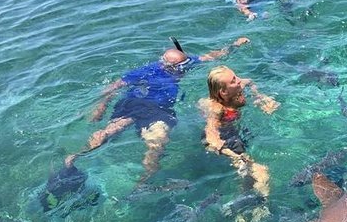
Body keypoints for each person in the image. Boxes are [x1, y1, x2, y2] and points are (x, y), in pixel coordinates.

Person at [63, 36, 250, 186]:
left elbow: (213, 56)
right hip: (143, 106)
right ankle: (143, 179)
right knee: (155, 141)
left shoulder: (180, 64)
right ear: (166, 64)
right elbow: (113, 86)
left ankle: (139, 179)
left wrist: (235, 45)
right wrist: (100, 107)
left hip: (145, 106)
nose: (176, 70)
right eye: (174, 67)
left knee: (120, 133)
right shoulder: (146, 70)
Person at [198, 66, 279, 197]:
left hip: (236, 129)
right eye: (234, 81)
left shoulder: (237, 88)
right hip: (225, 136)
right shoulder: (216, 109)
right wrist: (233, 155)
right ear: (223, 92)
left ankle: (248, 198)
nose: (240, 81)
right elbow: (210, 136)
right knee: (260, 172)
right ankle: (252, 205)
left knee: (253, 170)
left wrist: (261, 97)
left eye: (235, 77)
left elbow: (250, 81)